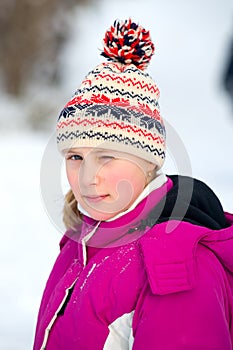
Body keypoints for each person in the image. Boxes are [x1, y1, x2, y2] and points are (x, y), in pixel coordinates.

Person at [33, 19, 233, 350]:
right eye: (75, 157)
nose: (87, 178)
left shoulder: (177, 266)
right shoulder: (84, 240)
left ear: (148, 160)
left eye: (107, 157)